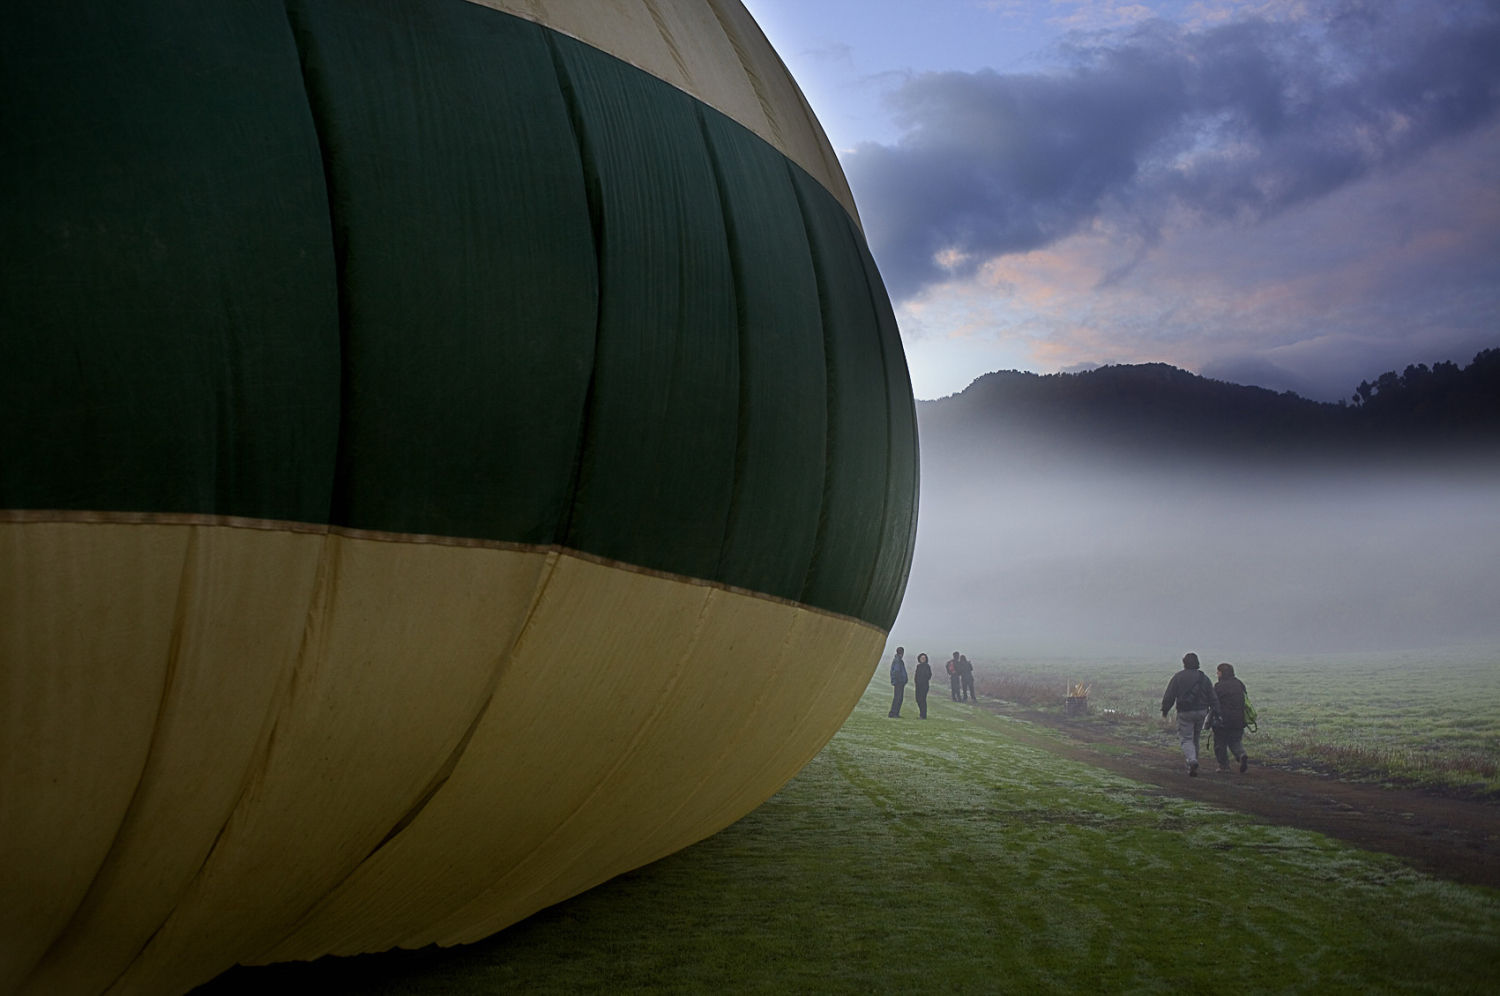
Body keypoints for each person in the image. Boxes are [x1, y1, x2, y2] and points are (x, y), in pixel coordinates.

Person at [1161, 652, 1221, 776]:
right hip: (1201, 712)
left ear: (1184, 663)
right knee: (1195, 738)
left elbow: (1170, 695)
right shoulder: (1204, 678)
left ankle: (1191, 760)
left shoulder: (1178, 677)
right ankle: (1193, 763)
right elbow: (1212, 696)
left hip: (1185, 712)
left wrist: (1165, 710)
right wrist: (1217, 711)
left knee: (1186, 739)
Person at [1212, 662, 1250, 773]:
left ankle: (1223, 766)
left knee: (1220, 743)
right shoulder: (1239, 684)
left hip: (1223, 720)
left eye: (1218, 672)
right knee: (1235, 741)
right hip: (1239, 719)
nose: (1217, 674)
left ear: (1222, 673)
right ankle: (1241, 754)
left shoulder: (1218, 686)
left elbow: (1214, 702)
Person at [888, 647, 908, 718]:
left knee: (898, 698)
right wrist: (900, 680)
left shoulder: (897, 660)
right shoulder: (898, 660)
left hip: (898, 682)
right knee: (898, 698)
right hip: (899, 682)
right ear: (902, 652)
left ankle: (894, 713)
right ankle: (894, 713)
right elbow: (896, 671)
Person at [913, 653, 932, 718]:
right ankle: (921, 713)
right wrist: (916, 681)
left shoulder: (927, 666)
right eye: (921, 658)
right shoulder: (918, 666)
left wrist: (923, 680)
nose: (923, 659)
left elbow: (929, 675)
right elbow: (916, 675)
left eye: (924, 658)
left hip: (924, 686)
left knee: (922, 700)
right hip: (918, 686)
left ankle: (923, 715)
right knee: (918, 699)